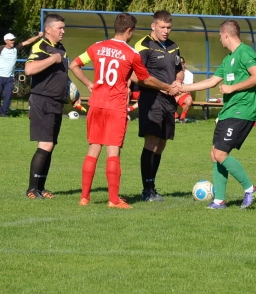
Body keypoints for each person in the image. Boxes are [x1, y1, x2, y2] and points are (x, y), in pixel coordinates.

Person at [69, 12, 176, 209]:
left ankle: (84, 197)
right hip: (115, 106)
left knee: (93, 149)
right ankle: (113, 199)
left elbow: (74, 64)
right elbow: (144, 79)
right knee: (113, 152)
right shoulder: (130, 53)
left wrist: (89, 84)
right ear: (129, 31)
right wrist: (167, 87)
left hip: (96, 104)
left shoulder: (97, 47)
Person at [180, 20, 256, 210]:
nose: (220, 40)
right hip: (229, 111)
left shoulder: (245, 52)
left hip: (242, 111)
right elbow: (211, 82)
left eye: (219, 36)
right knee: (214, 153)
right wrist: (182, 88)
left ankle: (250, 189)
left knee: (220, 153)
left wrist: (232, 87)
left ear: (226, 35)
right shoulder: (228, 59)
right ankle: (219, 201)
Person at [133, 10, 184, 202]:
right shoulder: (143, 46)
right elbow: (138, 76)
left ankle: (152, 186)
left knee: (161, 143)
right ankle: (147, 189)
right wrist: (164, 87)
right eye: (162, 27)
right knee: (152, 142)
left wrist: (178, 83)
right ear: (153, 26)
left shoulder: (173, 46)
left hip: (169, 101)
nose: (166, 31)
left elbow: (179, 70)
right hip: (151, 100)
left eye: (169, 27)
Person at [22, 15, 71, 199]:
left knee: (50, 145)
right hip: (43, 100)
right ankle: (31, 189)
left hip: (56, 101)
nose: (63, 31)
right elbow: (29, 69)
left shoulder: (60, 48)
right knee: (46, 144)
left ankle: (41, 188)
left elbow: (60, 73)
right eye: (60, 28)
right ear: (48, 29)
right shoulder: (41, 46)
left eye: (63, 28)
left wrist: (70, 90)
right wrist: (52, 59)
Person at [0, 31, 43, 117]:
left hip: (10, 77)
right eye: (11, 40)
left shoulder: (15, 48)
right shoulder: (1, 49)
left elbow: (28, 41)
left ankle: (4, 112)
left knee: (8, 95)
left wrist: (38, 36)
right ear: (6, 41)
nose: (13, 41)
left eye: (13, 40)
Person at [175, 56, 194, 123]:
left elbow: (189, 89)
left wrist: (179, 96)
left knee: (189, 101)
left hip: (184, 94)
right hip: (174, 93)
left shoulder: (189, 74)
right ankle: (175, 116)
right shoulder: (173, 73)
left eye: (182, 63)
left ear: (184, 64)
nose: (181, 65)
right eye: (179, 63)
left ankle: (182, 118)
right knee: (165, 99)